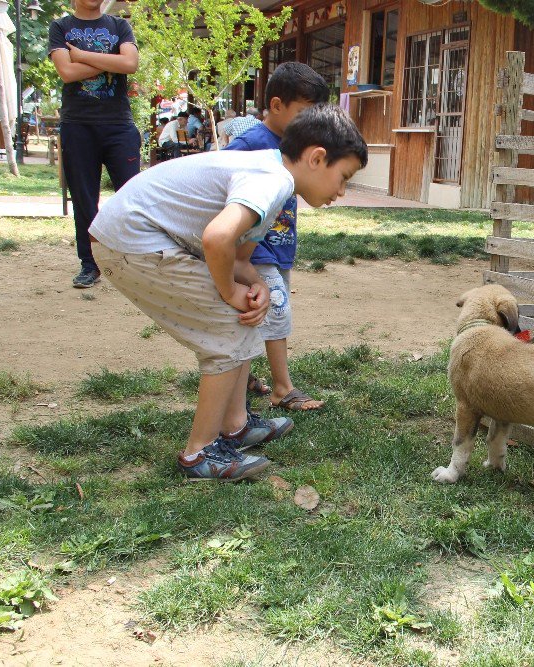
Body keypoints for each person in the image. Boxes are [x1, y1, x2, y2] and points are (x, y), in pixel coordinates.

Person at [88, 104, 368, 480]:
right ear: (318, 158)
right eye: (344, 177)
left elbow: (238, 257)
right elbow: (217, 238)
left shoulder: (272, 174)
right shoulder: (273, 180)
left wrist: (255, 287)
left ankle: (235, 425)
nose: (343, 191)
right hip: (131, 239)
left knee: (246, 313)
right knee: (228, 322)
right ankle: (198, 453)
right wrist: (228, 292)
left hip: (132, 236)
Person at [224, 62, 330, 411]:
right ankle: (283, 389)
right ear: (276, 105)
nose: (310, 123)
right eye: (303, 113)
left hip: (281, 245)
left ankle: (247, 377)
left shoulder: (295, 144)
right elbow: (220, 181)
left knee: (257, 313)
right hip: (252, 250)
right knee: (277, 310)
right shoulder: (251, 143)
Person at [48, 0, 141, 289]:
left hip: (118, 125)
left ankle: (137, 262)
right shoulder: (60, 27)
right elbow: (67, 72)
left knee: (134, 197)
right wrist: (109, 60)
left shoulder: (119, 26)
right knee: (84, 200)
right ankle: (90, 265)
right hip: (78, 125)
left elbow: (131, 64)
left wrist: (82, 56)